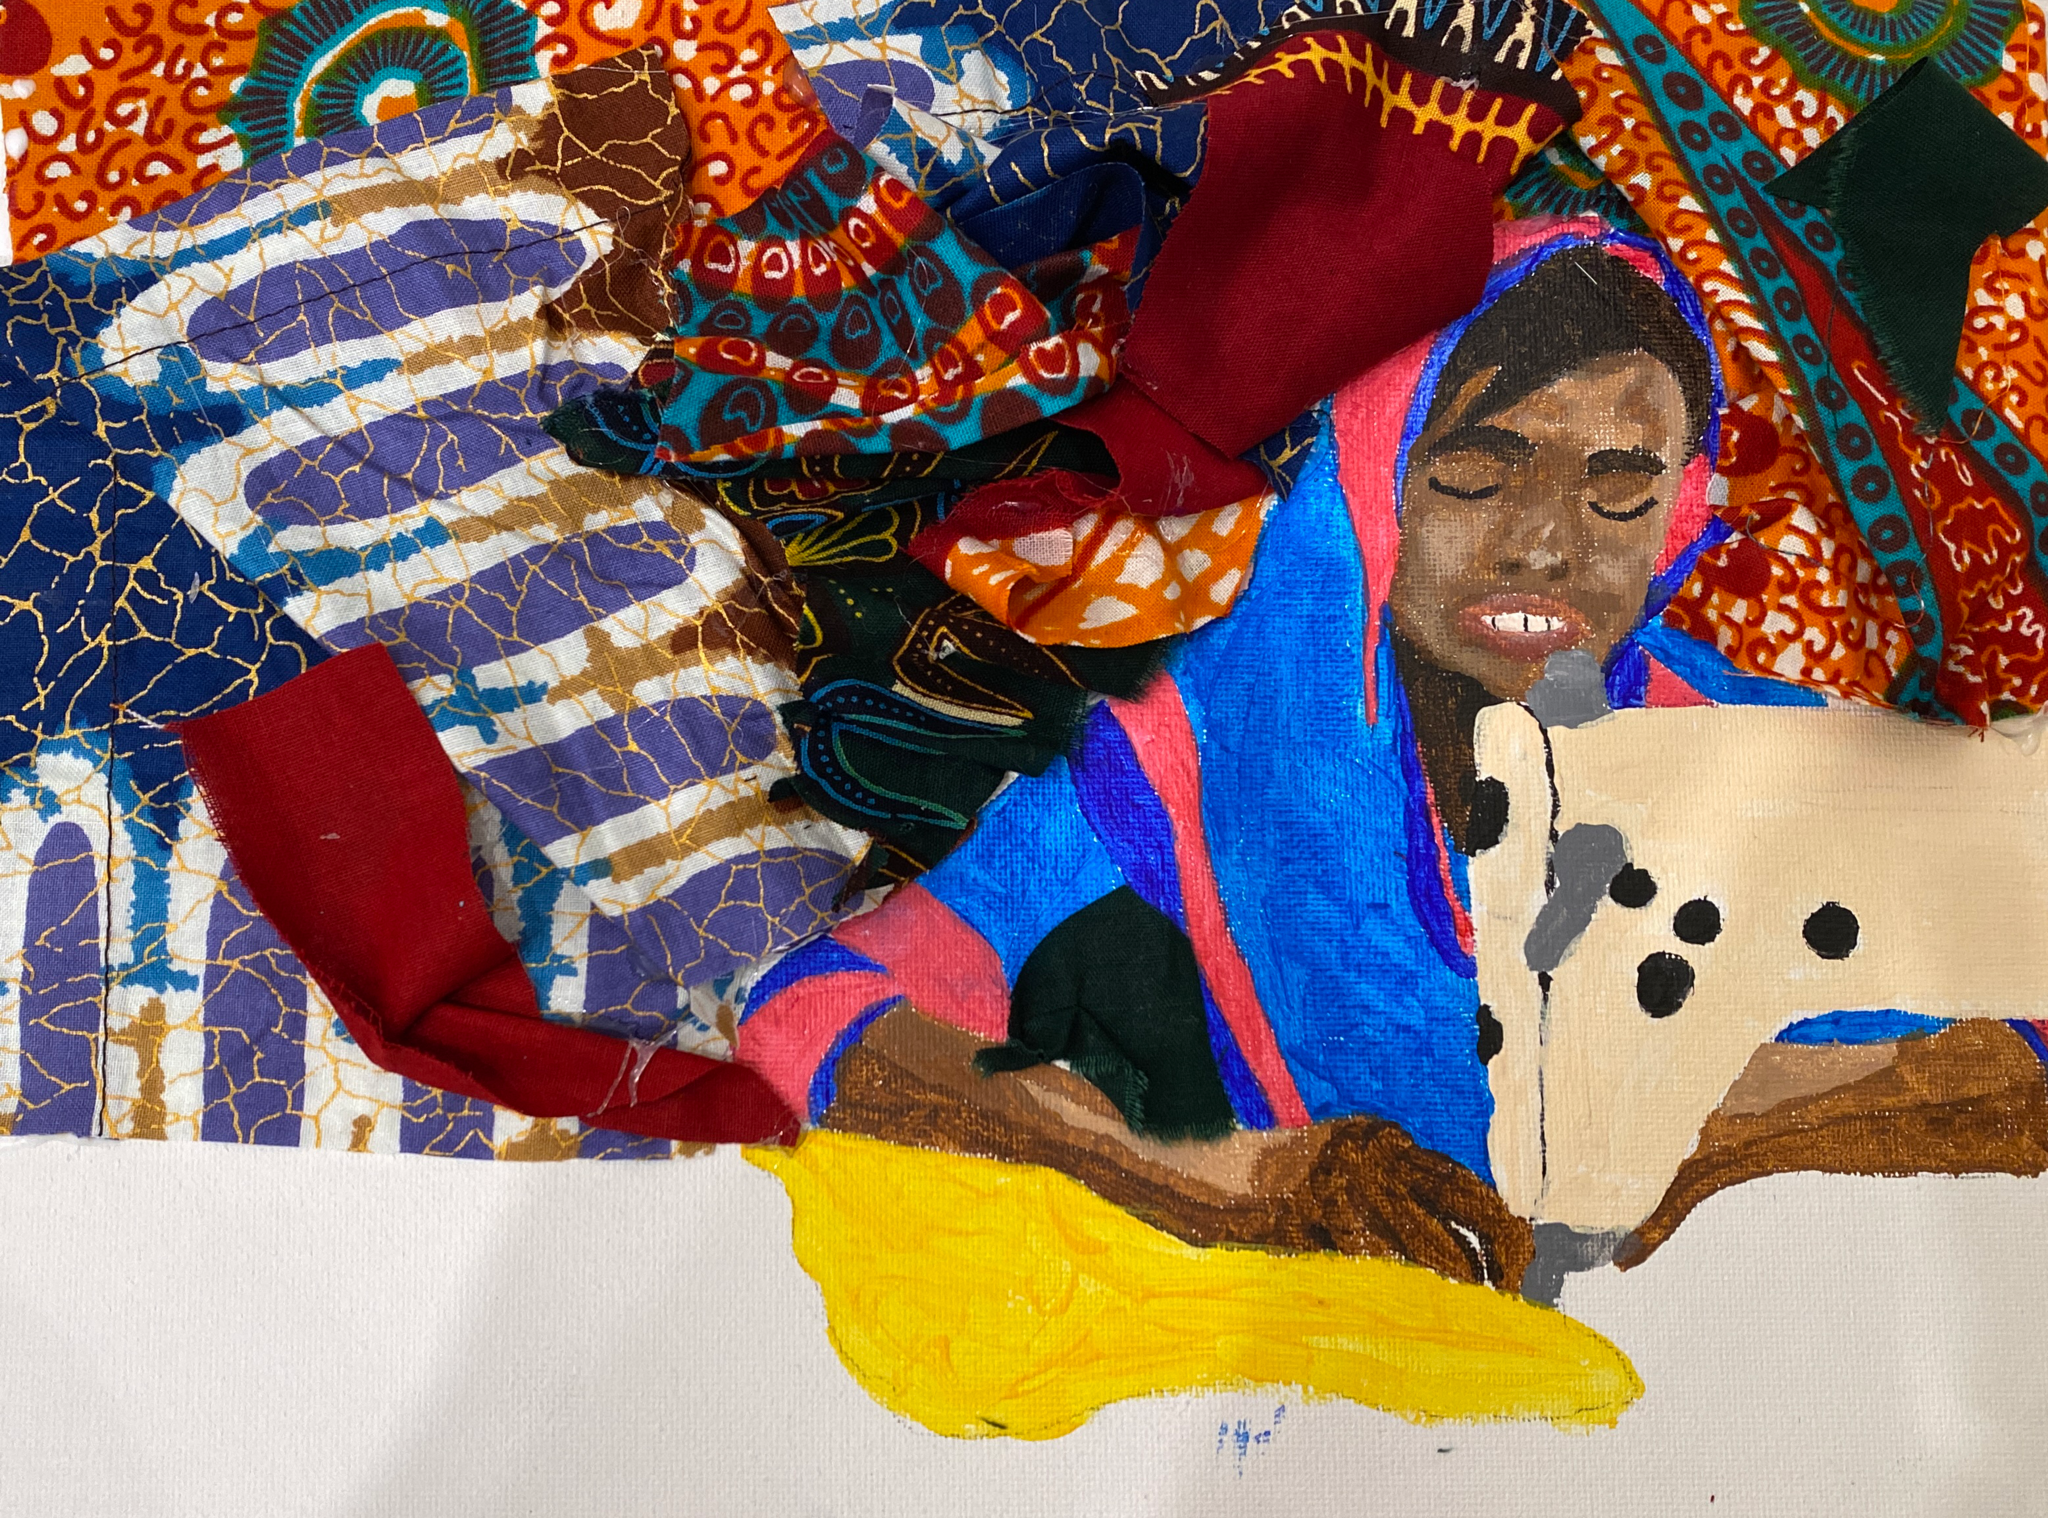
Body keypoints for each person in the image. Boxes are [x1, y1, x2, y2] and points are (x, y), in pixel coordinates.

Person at [734, 215, 2048, 1290]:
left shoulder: (1770, 761)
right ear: (1376, 473)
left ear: (1681, 511)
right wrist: (1201, 1177)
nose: (1548, 541)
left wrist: (1758, 1123)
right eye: (1480, 468)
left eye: (1618, 482)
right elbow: (816, 1013)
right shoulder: (1202, 751)